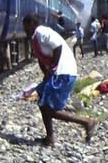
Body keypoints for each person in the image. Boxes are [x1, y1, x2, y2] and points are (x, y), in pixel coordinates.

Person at [24, 15, 96, 145]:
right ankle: (49, 138)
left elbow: (57, 47)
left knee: (48, 108)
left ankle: (86, 122)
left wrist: (53, 67)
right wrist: (46, 74)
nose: (24, 30)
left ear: (31, 23)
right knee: (42, 100)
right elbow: (42, 59)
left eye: (25, 26)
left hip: (63, 73)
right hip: (58, 73)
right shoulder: (36, 37)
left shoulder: (41, 32)